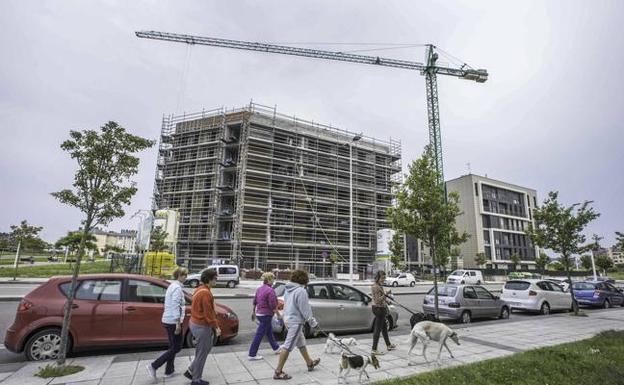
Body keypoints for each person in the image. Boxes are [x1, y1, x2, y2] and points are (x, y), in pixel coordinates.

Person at [273, 270, 321, 380]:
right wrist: (313, 323)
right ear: (304, 279)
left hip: (288, 320)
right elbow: (305, 310)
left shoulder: (288, 289)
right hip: (296, 322)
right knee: (288, 346)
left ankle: (309, 363)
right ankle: (278, 372)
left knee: (301, 343)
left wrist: (284, 318)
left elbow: (287, 305)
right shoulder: (301, 291)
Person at [146, 267, 188, 381]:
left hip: (168, 320)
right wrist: (178, 323)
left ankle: (169, 371)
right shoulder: (177, 288)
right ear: (179, 275)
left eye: (186, 275)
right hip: (172, 321)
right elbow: (175, 305)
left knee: (173, 347)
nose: (186, 277)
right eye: (184, 275)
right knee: (177, 347)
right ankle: (154, 366)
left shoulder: (172, 286)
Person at [184, 268, 221, 385]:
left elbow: (208, 306)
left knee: (206, 348)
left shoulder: (201, 289)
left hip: (195, 323)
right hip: (201, 326)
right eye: (215, 278)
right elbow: (208, 314)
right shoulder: (205, 292)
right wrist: (216, 327)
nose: (216, 280)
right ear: (209, 279)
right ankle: (196, 380)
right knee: (202, 353)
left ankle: (191, 370)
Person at [248, 272, 281, 360]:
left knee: (269, 331)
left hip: (259, 313)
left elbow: (255, 301)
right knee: (259, 334)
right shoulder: (270, 290)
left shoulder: (259, 289)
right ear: (269, 280)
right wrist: (278, 315)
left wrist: (253, 312)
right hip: (266, 315)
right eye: (273, 279)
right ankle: (252, 354)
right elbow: (273, 305)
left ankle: (276, 348)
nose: (274, 281)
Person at [371, 270, 396, 355]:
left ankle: (388, 345)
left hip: (381, 308)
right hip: (378, 309)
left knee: (384, 328)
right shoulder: (375, 287)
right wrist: (386, 293)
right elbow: (378, 300)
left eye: (384, 278)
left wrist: (388, 301)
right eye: (382, 278)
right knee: (377, 330)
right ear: (378, 277)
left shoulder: (379, 285)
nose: (383, 279)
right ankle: (374, 349)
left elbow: (381, 298)